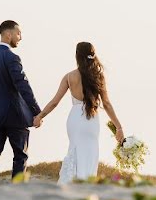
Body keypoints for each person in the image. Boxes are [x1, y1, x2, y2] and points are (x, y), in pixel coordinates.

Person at [33, 42, 125, 184]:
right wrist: (118, 127)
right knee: (90, 152)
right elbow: (106, 104)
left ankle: (72, 183)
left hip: (75, 119)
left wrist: (40, 116)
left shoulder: (69, 76)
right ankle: (87, 183)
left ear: (77, 56)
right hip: (92, 120)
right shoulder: (99, 76)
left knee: (75, 150)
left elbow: (54, 102)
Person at [0, 20, 41, 181]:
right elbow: (23, 86)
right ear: (8, 34)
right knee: (20, 155)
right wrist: (37, 112)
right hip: (15, 114)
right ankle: (17, 189)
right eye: (18, 33)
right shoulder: (12, 57)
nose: (20, 37)